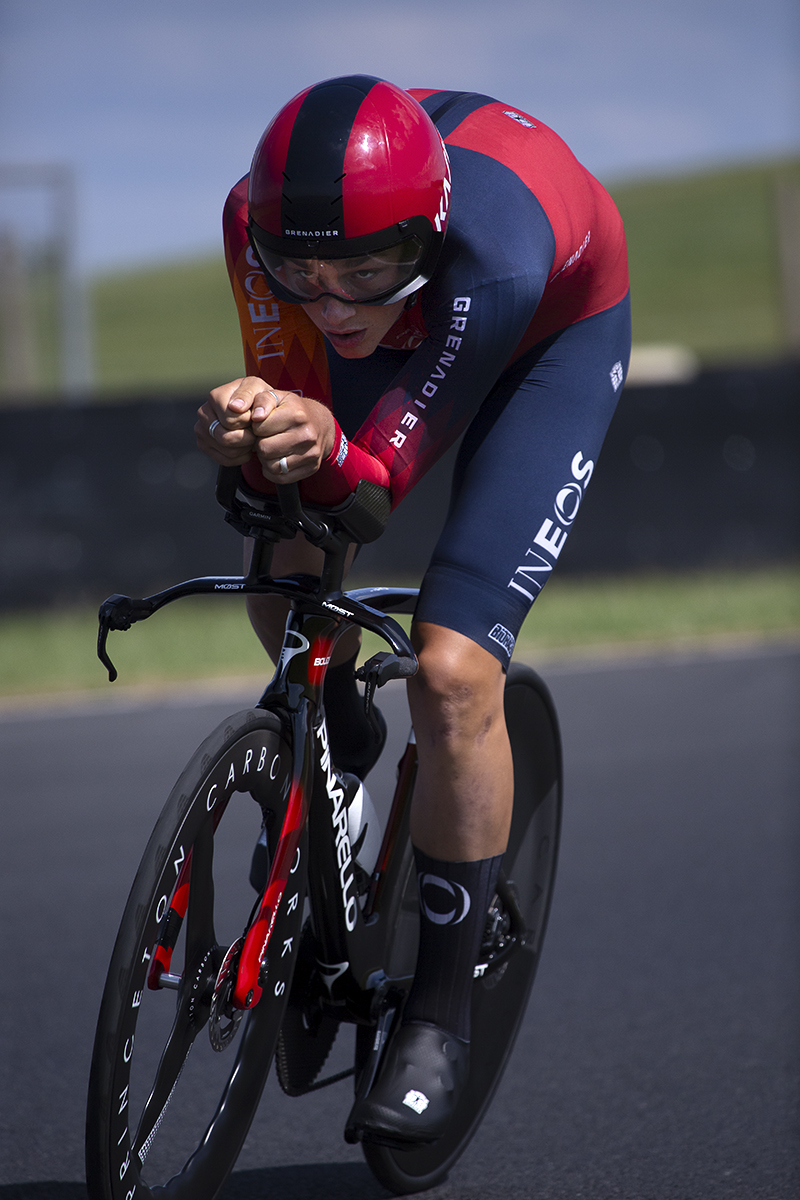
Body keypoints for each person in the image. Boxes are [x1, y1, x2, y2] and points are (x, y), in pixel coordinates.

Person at [196, 75, 630, 1147]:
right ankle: (335, 730)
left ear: (423, 241)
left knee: (449, 672)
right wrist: (248, 433)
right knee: (286, 542)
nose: (331, 300)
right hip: (423, 278)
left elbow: (376, 491)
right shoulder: (257, 229)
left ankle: (437, 1012)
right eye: (299, 272)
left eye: (364, 272)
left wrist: (320, 447)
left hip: (545, 332)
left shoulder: (493, 257)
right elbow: (291, 451)